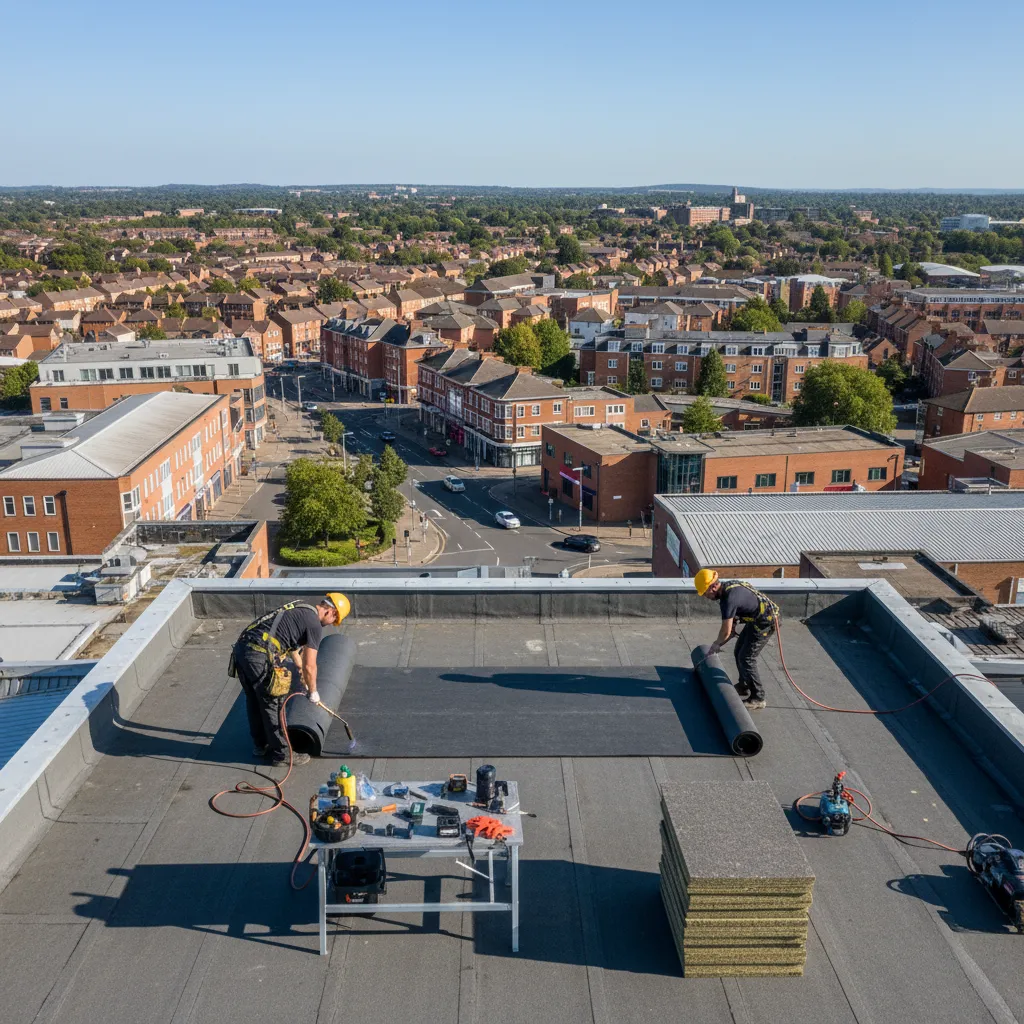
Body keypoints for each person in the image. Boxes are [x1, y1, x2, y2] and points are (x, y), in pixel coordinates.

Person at [231, 593, 351, 766]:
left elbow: (293, 648)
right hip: (259, 654)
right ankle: (282, 755)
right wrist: (313, 691)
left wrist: (299, 669)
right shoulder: (314, 624)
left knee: (255, 700)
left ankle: (260, 745)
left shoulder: (301, 608)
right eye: (334, 620)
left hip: (242, 650)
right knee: (274, 702)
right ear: (331, 612)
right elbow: (311, 665)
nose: (331, 623)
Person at [693, 570, 779, 710]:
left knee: (747, 658)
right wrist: (724, 639)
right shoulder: (728, 587)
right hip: (756, 619)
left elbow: (726, 631)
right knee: (738, 650)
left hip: (765, 622)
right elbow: (731, 630)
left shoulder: (729, 599)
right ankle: (744, 685)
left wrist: (716, 644)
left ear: (712, 587)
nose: (705, 597)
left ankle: (758, 698)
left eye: (705, 593)